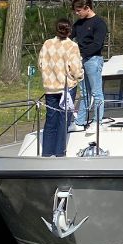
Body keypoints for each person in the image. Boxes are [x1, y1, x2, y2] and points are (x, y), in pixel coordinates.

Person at [38, 18, 84, 157]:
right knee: (63, 120)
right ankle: (59, 153)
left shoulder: (47, 44)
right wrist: (79, 76)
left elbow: (40, 63)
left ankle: (47, 152)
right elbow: (75, 68)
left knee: (51, 119)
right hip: (66, 88)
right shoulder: (72, 46)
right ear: (69, 30)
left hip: (50, 87)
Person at [70, 0, 108, 130]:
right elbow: (69, 36)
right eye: (75, 10)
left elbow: (97, 44)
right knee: (84, 92)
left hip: (93, 60)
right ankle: (80, 122)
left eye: (78, 10)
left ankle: (98, 121)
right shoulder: (78, 23)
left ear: (87, 8)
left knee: (96, 92)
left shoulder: (99, 23)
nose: (76, 13)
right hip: (81, 60)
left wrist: (81, 54)